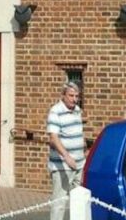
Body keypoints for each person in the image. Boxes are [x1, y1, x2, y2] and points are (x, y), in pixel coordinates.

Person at [47, 82, 84, 220]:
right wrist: (67, 157)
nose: (74, 99)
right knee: (59, 202)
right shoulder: (55, 111)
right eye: (71, 95)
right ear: (63, 95)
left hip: (79, 164)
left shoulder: (77, 110)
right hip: (62, 165)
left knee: (79, 200)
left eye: (76, 96)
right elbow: (53, 137)